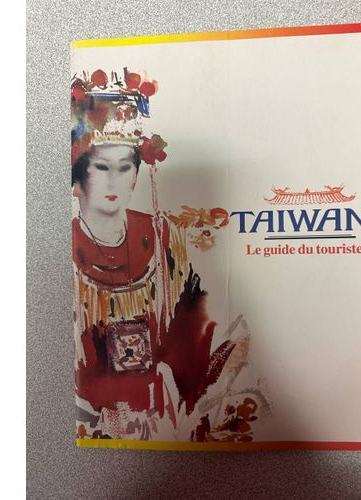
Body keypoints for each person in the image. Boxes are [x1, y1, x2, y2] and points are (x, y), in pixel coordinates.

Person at [71, 72, 236, 441]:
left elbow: (191, 324)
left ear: (136, 175)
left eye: (125, 167)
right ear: (79, 177)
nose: (114, 181)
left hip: (166, 411)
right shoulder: (67, 247)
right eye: (101, 167)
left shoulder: (163, 236)